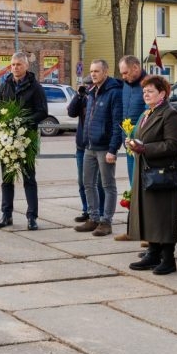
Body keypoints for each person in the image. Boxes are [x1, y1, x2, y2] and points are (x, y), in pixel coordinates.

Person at [126, 75, 177, 275]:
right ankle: (153, 253)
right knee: (150, 215)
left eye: (150, 91)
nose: (146, 95)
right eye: (144, 92)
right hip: (146, 171)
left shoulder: (170, 114)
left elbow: (173, 144)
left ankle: (168, 259)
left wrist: (145, 148)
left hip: (163, 174)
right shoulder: (146, 113)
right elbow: (139, 137)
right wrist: (132, 143)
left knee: (163, 216)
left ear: (162, 93)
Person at [0, 52, 48, 231]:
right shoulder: (5, 85)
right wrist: (2, 127)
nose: (15, 67)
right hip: (7, 138)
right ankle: (6, 214)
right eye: (12, 65)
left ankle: (32, 217)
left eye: (18, 64)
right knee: (7, 178)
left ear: (26, 66)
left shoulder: (35, 87)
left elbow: (42, 112)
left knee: (28, 178)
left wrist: (24, 122)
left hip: (27, 138)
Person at [74, 60, 123, 237]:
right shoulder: (91, 92)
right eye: (91, 71)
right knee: (88, 183)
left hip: (105, 148)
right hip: (89, 146)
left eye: (97, 71)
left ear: (105, 72)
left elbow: (118, 124)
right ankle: (93, 218)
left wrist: (113, 149)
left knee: (108, 185)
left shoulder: (114, 92)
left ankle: (106, 221)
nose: (93, 74)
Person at [115, 55, 146, 242]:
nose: (124, 76)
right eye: (121, 73)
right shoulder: (125, 86)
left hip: (143, 146)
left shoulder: (149, 84)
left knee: (144, 190)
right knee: (133, 189)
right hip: (128, 145)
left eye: (126, 72)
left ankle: (148, 233)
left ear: (136, 67)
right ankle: (133, 229)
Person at [67, 75, 105, 224]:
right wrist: (78, 95)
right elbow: (71, 112)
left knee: (100, 182)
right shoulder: (82, 98)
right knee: (83, 181)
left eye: (89, 85)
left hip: (98, 145)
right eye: (85, 85)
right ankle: (87, 210)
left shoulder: (100, 98)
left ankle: (100, 212)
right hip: (82, 146)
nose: (87, 87)